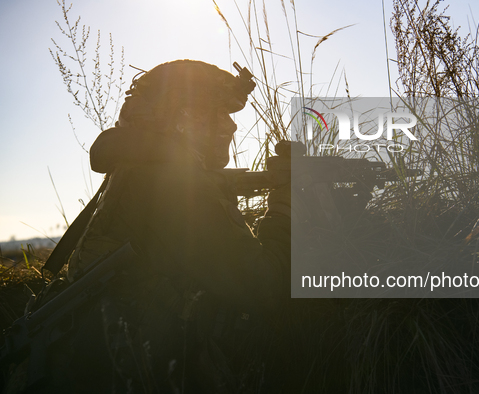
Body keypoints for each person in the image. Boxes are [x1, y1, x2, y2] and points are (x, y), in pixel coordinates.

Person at [13, 60, 293, 393]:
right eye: (218, 112)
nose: (230, 126)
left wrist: (269, 181)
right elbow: (263, 288)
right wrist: (285, 207)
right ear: (183, 119)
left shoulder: (143, 171)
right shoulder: (176, 187)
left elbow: (207, 190)